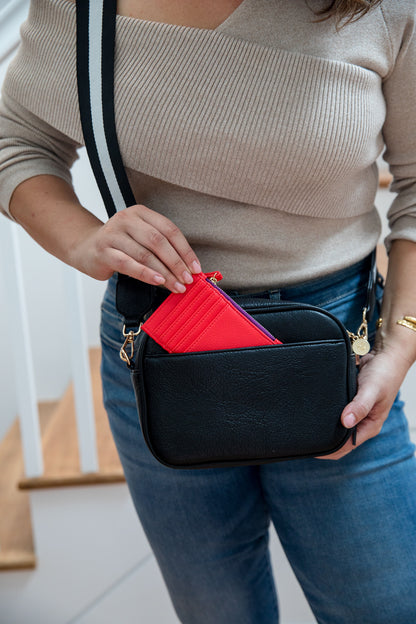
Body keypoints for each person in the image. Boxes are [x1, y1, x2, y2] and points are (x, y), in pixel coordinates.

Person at [1, 0, 416, 621]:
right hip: (163, 345)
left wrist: (402, 342)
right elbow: (17, 141)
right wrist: (81, 240)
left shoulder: (379, 9)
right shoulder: (77, 11)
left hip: (336, 358)